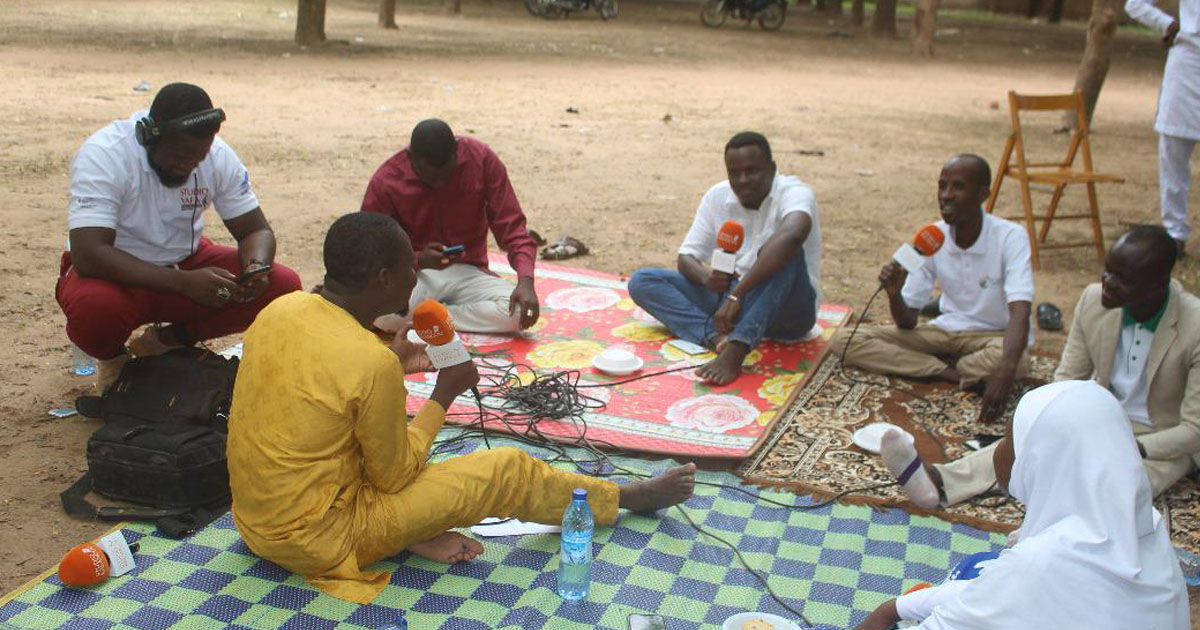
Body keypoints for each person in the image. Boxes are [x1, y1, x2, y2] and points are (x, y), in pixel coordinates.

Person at [227, 213, 696, 603]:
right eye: (410, 269)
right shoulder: (369, 363)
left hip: (256, 526)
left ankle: (413, 531)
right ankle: (625, 499)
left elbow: (321, 399)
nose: (416, 279)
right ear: (386, 278)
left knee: (365, 446)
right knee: (503, 470)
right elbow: (395, 477)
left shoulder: (278, 311)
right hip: (323, 540)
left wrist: (392, 363)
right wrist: (444, 393)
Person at [885, 225, 1200, 509]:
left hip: (1159, 441)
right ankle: (937, 482)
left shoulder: (1194, 325)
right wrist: (1035, 419)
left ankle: (1056, 524)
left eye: (1122, 279)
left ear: (1159, 285)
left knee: (1114, 489)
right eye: (1107, 272)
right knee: (1026, 443)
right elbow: (1067, 379)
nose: (1107, 283)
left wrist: (1133, 447)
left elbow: (1194, 430)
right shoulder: (1095, 299)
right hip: (1103, 417)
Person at [855, 381, 1189, 630]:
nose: (999, 449)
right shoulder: (1150, 526)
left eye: (1010, 438)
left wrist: (888, 611)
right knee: (983, 567)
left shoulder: (1042, 565)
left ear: (1040, 462)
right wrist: (899, 605)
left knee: (978, 569)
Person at [56, 83, 301, 389]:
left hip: (185, 264)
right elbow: (89, 253)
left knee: (283, 287)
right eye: (178, 155)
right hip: (115, 272)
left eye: (198, 157)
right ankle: (114, 360)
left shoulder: (218, 156)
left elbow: (255, 230)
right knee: (95, 309)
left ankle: (166, 342)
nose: (187, 164)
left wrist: (256, 266)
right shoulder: (105, 154)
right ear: (149, 135)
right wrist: (184, 283)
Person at [830, 154, 1033, 424]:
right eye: (942, 186)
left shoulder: (1010, 236)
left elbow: (1021, 312)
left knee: (1017, 362)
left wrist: (1006, 371)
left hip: (992, 336)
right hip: (944, 332)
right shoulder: (929, 238)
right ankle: (949, 373)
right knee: (845, 341)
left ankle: (944, 365)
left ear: (983, 193)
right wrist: (894, 294)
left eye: (958, 187)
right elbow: (907, 321)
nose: (946, 196)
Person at [627, 131, 822, 386]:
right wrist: (706, 277)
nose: (743, 180)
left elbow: (793, 234)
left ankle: (736, 350)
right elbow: (686, 257)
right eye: (734, 173)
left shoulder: (795, 193)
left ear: (772, 168)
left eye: (752, 171)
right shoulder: (717, 196)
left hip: (789, 310)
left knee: (785, 252)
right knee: (643, 281)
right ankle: (717, 340)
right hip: (735, 304)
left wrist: (737, 294)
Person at [361, 119, 540, 334]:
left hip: (470, 270)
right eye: (429, 179)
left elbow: (512, 227)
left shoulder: (481, 160)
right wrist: (418, 259)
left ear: (457, 152)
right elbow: (372, 250)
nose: (438, 184)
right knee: (382, 316)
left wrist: (526, 281)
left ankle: (429, 317)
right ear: (410, 159)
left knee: (519, 312)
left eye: (445, 176)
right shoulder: (386, 181)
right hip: (414, 275)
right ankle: (431, 316)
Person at [1126, 0, 1198, 256]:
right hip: (1188, 64)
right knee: (1173, 152)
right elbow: (1135, 4)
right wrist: (1166, 24)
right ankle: (1175, 233)